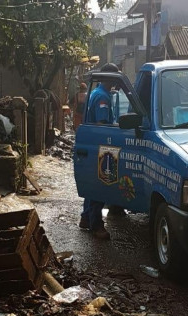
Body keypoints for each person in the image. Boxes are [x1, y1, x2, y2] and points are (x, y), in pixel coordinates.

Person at [79, 63, 120, 240]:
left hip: (92, 144)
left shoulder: (96, 92)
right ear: (108, 78)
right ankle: (96, 225)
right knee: (101, 184)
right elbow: (103, 124)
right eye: (114, 78)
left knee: (91, 185)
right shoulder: (103, 97)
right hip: (101, 145)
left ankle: (86, 218)